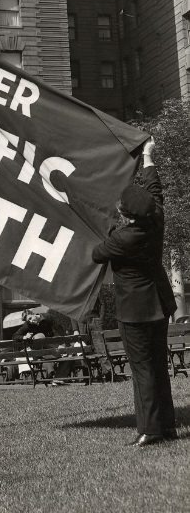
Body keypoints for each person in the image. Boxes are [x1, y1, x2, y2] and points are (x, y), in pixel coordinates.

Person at [92, 137, 177, 447]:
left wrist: (114, 226)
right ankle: (167, 426)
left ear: (127, 215)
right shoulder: (155, 218)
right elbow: (155, 190)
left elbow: (97, 254)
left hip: (135, 311)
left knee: (142, 370)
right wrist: (149, 158)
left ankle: (150, 430)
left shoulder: (124, 238)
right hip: (159, 304)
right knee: (157, 366)